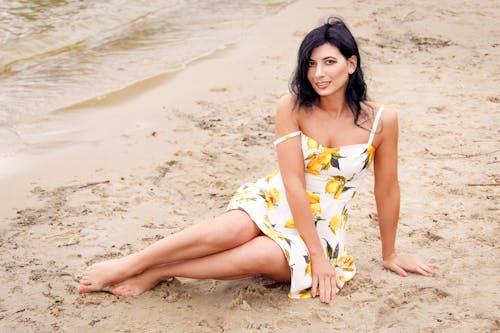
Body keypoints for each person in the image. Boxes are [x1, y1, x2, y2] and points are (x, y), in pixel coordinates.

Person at [79, 17, 434, 304]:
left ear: (351, 64)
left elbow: (387, 188)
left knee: (261, 257)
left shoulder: (382, 120)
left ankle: (160, 271)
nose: (319, 73)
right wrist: (317, 257)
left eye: (329, 62)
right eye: (311, 64)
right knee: (232, 230)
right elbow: (293, 182)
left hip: (324, 225)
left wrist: (388, 254)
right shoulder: (291, 106)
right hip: (277, 199)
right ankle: (132, 263)